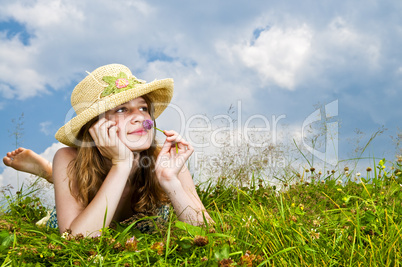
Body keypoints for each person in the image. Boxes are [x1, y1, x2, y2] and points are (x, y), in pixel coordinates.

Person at [3, 64, 212, 237]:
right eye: (121, 109)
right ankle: (52, 173)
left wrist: (170, 180)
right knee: (73, 183)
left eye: (143, 108)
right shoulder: (68, 158)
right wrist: (121, 165)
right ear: (94, 127)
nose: (140, 117)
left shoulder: (165, 159)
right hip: (83, 179)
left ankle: (52, 175)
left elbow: (207, 233)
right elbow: (77, 239)